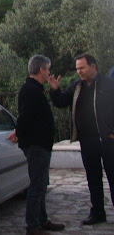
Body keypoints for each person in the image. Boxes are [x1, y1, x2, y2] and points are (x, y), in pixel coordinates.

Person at [49, 53, 114, 225]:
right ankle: (98, 213)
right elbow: (62, 102)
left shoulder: (109, 84)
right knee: (93, 179)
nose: (79, 71)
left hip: (109, 140)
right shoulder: (76, 86)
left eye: (82, 67)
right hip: (88, 141)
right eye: (77, 68)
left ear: (93, 66)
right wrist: (55, 90)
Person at [14, 55, 65, 234]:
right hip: (36, 146)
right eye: (48, 69)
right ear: (42, 70)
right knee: (37, 186)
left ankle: (41, 220)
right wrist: (19, 134)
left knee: (41, 185)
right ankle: (33, 225)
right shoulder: (30, 90)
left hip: (40, 145)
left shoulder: (35, 88)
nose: (50, 72)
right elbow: (25, 117)